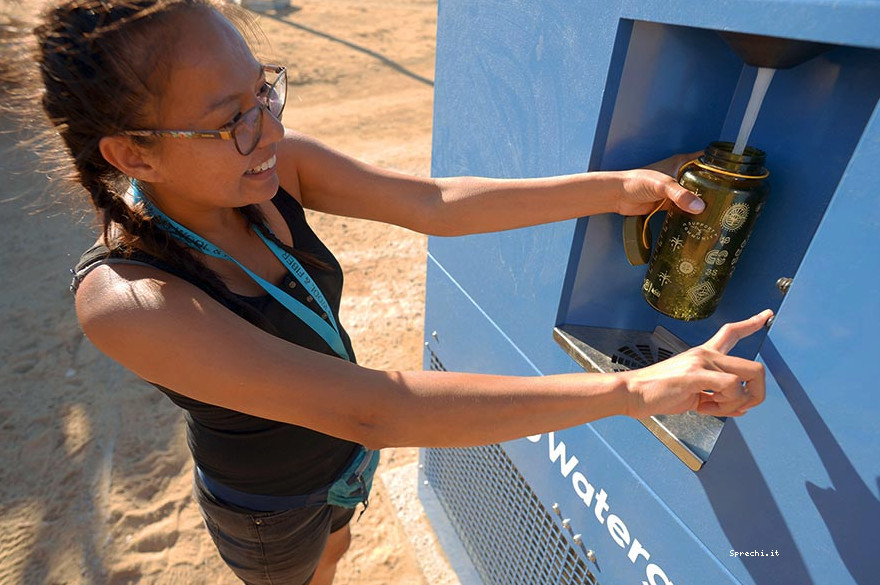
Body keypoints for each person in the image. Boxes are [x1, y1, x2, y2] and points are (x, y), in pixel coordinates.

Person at [23, 1, 771, 584]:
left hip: (345, 462)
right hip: (269, 505)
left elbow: (437, 201)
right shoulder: (125, 298)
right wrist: (632, 391)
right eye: (232, 121)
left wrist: (618, 189)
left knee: (338, 546)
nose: (270, 129)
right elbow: (374, 407)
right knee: (304, 567)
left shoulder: (273, 170)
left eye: (264, 93)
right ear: (132, 153)